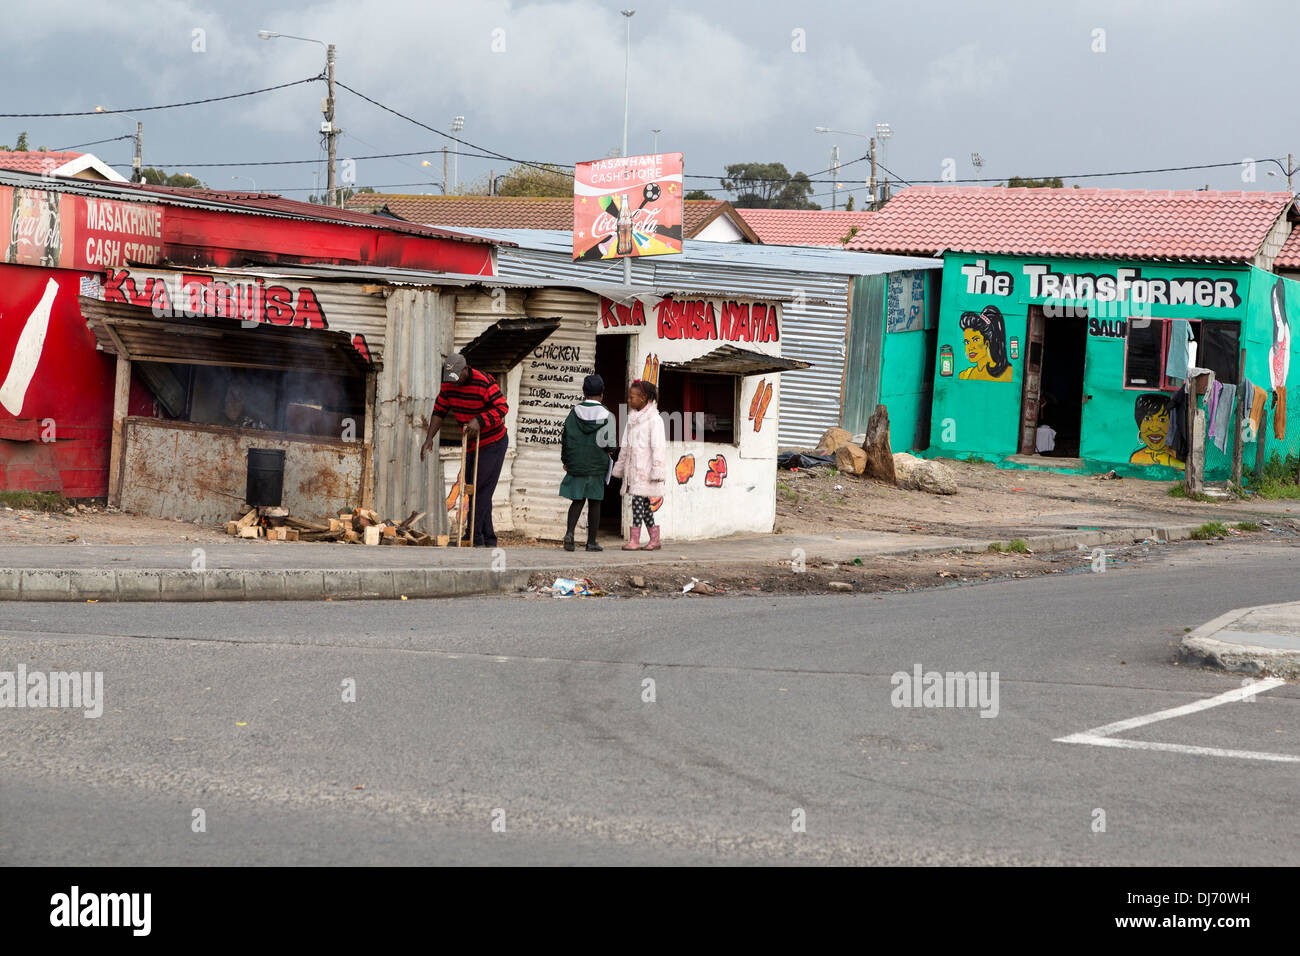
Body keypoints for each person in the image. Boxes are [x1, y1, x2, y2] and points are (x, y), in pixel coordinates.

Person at [420, 352, 510, 546]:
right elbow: (440, 410)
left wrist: (479, 420)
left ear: (466, 370)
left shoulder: (485, 382)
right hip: (470, 442)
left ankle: (473, 537)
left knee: (480, 489)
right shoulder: (448, 385)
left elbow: (502, 408)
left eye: (457, 378)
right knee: (472, 488)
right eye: (450, 379)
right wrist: (429, 438)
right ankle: (488, 538)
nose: (454, 383)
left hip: (493, 441)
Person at [559, 374, 615, 552]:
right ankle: (591, 542)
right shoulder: (607, 415)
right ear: (602, 394)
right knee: (595, 501)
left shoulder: (574, 413)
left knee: (577, 499)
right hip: (597, 465)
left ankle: (570, 533)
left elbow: (565, 439)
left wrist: (566, 460)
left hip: (577, 463)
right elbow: (611, 445)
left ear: (583, 392)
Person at [612, 379, 666, 551]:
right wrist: (620, 465)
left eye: (632, 397)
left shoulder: (654, 420)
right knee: (643, 503)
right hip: (633, 469)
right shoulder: (632, 420)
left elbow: (658, 446)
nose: (629, 400)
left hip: (646, 470)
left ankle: (635, 540)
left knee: (637, 500)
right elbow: (625, 444)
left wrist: (657, 469)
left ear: (643, 398)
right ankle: (654, 539)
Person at [957, 306, 1013, 382]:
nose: (970, 347)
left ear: (987, 342)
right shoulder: (965, 375)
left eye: (976, 340)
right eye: (967, 342)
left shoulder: (1008, 372)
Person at [1129, 392, 1184, 469]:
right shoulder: (1136, 457)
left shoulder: (1179, 457)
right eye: (1147, 419)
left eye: (1162, 420)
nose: (1154, 428)